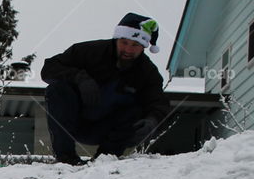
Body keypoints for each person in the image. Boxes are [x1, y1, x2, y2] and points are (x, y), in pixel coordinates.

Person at [41, 12, 171, 166]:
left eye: (135, 45)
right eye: (124, 42)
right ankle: (65, 158)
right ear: (117, 39)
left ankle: (104, 160)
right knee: (57, 89)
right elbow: (49, 69)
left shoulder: (148, 73)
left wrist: (152, 121)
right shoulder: (88, 51)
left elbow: (158, 103)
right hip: (75, 122)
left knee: (137, 110)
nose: (128, 50)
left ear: (143, 47)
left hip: (109, 130)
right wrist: (80, 78)